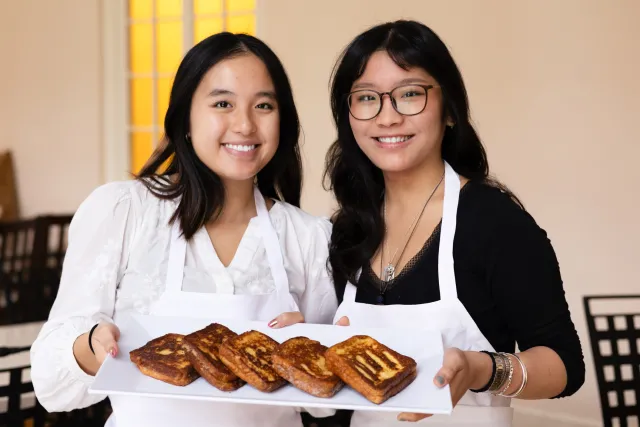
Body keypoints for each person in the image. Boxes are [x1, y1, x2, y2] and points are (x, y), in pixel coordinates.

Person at [30, 32, 337, 427]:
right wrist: (91, 344)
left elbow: (326, 402)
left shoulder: (309, 236)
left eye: (263, 105)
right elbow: (50, 383)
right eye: (222, 103)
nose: (244, 124)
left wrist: (311, 349)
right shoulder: (125, 211)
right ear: (186, 119)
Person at [324, 20, 585, 426]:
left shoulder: (495, 222)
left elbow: (564, 365)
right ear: (349, 115)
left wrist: (483, 370)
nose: (388, 117)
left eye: (410, 94)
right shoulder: (348, 228)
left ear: (450, 111)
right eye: (366, 98)